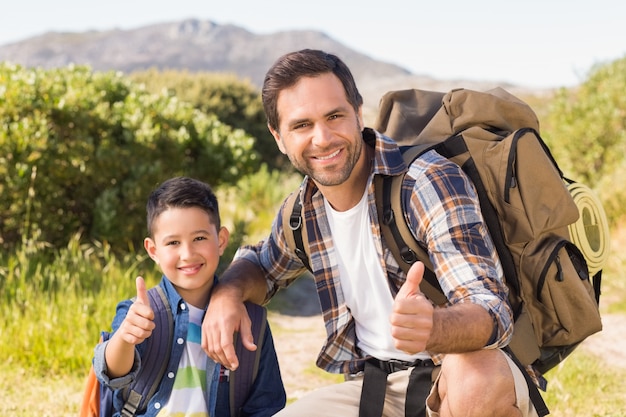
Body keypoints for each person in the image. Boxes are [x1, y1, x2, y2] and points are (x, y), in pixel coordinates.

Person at [201, 49, 539, 417]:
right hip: (374, 390)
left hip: (458, 374)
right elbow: (262, 266)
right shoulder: (302, 212)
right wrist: (227, 293)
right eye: (301, 125)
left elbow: (492, 310)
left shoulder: (425, 182)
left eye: (334, 116)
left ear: (358, 114)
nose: (322, 138)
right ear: (279, 137)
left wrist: (434, 326)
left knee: (475, 377)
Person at [93, 176, 286, 417]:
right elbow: (112, 374)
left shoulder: (252, 322)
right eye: (173, 242)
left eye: (199, 238)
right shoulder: (139, 312)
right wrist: (125, 338)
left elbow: (265, 406)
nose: (187, 254)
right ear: (153, 250)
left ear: (221, 240)